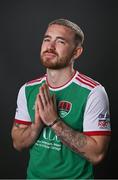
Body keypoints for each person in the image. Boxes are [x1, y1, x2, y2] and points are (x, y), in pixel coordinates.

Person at [11, 18, 111, 179]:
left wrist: (54, 122)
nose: (50, 47)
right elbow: (17, 143)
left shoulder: (93, 92)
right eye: (47, 39)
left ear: (76, 52)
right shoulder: (27, 89)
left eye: (60, 42)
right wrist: (37, 125)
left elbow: (97, 155)